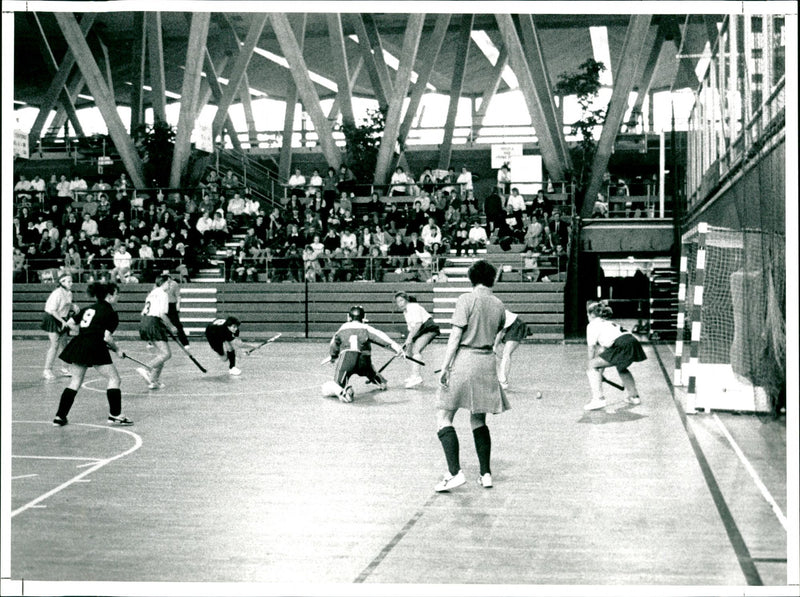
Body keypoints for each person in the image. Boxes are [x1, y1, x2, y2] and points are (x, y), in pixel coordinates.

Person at [434, 260, 509, 492]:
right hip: (487, 363)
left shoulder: (466, 299)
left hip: (465, 361)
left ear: (470, 277)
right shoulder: (499, 304)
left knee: (444, 416)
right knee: (478, 420)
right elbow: (499, 331)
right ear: (492, 279)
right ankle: (486, 474)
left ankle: (454, 472)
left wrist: (445, 367)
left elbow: (455, 337)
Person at [52, 282, 133, 427]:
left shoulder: (87, 309)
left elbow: (70, 323)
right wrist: (118, 350)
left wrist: (84, 333)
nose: (118, 296)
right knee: (114, 379)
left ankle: (60, 416)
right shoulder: (111, 314)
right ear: (110, 295)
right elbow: (107, 338)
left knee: (75, 382)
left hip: (79, 345)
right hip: (95, 347)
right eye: (117, 293)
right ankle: (115, 415)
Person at [321, 306, 404, 403]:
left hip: (347, 361)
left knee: (330, 388)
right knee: (369, 370)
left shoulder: (342, 328)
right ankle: (380, 382)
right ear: (364, 318)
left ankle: (343, 391)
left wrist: (333, 356)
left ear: (348, 317)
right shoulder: (366, 328)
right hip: (364, 362)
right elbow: (383, 339)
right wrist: (398, 349)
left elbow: (334, 344)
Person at [584, 300, 647, 411]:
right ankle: (634, 396)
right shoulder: (607, 323)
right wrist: (600, 372)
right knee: (621, 368)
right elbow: (603, 354)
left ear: (590, 315)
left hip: (622, 344)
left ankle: (598, 399)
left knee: (591, 365)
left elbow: (591, 349)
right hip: (632, 341)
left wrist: (591, 366)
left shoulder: (592, 325)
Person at [136, 274, 179, 390]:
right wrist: (172, 326)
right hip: (152, 322)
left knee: (161, 355)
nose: (170, 285)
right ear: (163, 283)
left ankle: (153, 381)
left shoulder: (152, 292)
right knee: (166, 354)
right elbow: (161, 314)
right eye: (169, 283)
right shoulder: (163, 294)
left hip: (144, 322)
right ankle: (146, 368)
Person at [394, 291, 440, 388]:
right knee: (408, 353)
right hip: (420, 331)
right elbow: (411, 329)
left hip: (429, 329)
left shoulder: (413, 307)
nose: (400, 303)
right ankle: (413, 375)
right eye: (397, 302)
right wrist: (405, 345)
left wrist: (409, 339)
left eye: (401, 300)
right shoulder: (405, 312)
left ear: (406, 300)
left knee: (416, 350)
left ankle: (417, 377)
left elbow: (418, 324)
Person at [41, 273, 78, 380]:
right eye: (69, 281)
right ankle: (47, 370)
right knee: (55, 344)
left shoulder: (69, 293)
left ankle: (64, 368)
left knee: (64, 345)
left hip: (62, 319)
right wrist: (62, 321)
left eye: (71, 281)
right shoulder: (57, 293)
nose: (71, 283)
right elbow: (52, 310)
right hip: (53, 318)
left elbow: (66, 304)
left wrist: (73, 306)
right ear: (62, 282)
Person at [493, 309, 530, 391]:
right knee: (501, 355)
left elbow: (499, 332)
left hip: (516, 326)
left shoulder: (493, 312)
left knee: (506, 353)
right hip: (508, 328)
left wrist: (494, 346)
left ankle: (503, 382)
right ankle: (500, 377)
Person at [163, 272, 190, 350]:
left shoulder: (174, 284)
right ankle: (151, 342)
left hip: (171, 305)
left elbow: (178, 296)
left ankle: (185, 342)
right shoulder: (159, 284)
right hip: (162, 305)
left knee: (177, 324)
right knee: (158, 323)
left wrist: (178, 305)